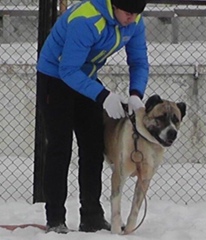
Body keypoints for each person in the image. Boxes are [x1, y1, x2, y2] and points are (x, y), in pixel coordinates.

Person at [36, 0, 149, 234]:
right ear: (114, 6)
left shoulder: (135, 21)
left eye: (137, 14)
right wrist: (103, 96)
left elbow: (138, 61)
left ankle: (92, 216)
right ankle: (55, 218)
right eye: (128, 13)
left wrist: (136, 94)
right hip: (55, 78)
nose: (132, 19)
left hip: (85, 77)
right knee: (60, 147)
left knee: (93, 147)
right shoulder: (86, 20)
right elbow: (68, 69)